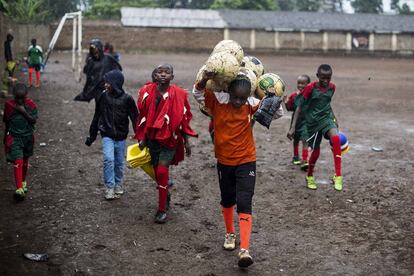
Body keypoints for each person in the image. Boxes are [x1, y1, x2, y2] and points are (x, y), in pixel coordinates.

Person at [192, 72, 283, 268]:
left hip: (246, 160)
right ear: (228, 92)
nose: (239, 101)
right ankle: (229, 233)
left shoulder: (250, 103)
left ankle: (245, 250)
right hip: (224, 161)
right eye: (236, 97)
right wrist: (204, 78)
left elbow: (277, 114)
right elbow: (197, 93)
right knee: (227, 199)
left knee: (244, 201)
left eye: (243, 98)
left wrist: (272, 97)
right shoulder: (218, 100)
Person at [135, 63, 197, 224]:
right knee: (157, 173)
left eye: (167, 72)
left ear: (172, 77)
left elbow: (182, 119)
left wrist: (186, 142)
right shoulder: (147, 93)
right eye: (159, 72)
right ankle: (165, 194)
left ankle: (161, 210)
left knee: (162, 172)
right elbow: (143, 117)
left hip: (171, 140)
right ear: (154, 75)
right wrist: (143, 139)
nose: (163, 74)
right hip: (153, 140)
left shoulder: (179, 95)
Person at [287, 64, 343, 191]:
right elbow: (299, 107)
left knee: (336, 139)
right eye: (323, 78)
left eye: (328, 78)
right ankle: (310, 175)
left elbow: (327, 104)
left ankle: (338, 176)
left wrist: (334, 119)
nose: (326, 81)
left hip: (327, 119)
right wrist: (293, 127)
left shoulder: (332, 88)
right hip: (313, 123)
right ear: (318, 76)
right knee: (316, 152)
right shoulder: (310, 88)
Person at [85, 70, 138, 200]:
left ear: (115, 83)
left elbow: (135, 119)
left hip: (120, 136)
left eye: (107, 82)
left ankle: (118, 184)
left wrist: (141, 137)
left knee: (119, 162)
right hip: (107, 134)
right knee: (109, 159)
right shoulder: (103, 97)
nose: (105, 85)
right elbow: (97, 116)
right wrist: (91, 136)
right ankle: (109, 187)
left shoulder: (128, 99)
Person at [3, 83, 38, 200]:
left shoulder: (31, 105)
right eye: (17, 98)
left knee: (24, 162)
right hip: (15, 139)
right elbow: (7, 122)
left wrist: (23, 111)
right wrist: (5, 138)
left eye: (21, 98)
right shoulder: (9, 105)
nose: (19, 101)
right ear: (13, 96)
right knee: (18, 161)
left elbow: (33, 120)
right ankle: (19, 189)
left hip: (28, 138)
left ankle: (23, 182)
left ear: (26, 96)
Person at [284, 74, 310, 170]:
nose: (300, 85)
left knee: (305, 140)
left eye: (303, 83)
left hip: (306, 122)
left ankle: (305, 160)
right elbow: (290, 108)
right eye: (299, 83)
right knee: (296, 140)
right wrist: (286, 103)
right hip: (296, 122)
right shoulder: (294, 96)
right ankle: (296, 156)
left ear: (308, 84)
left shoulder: (310, 96)